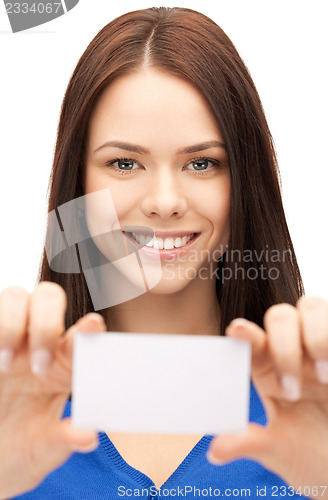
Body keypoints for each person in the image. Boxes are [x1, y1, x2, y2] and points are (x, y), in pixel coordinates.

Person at [0, 6, 327, 499]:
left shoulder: (312, 408)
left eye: (202, 163)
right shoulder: (13, 413)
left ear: (244, 181)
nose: (165, 202)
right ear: (78, 184)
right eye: (125, 162)